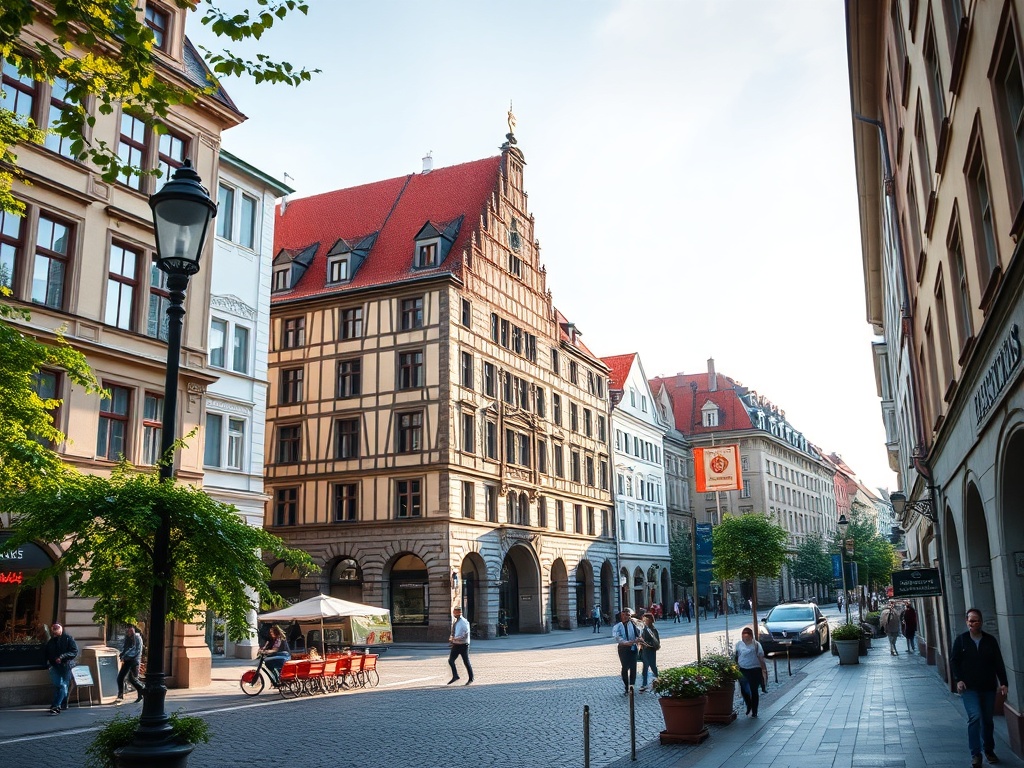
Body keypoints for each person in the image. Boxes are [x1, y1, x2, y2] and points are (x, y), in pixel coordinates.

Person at [950, 608, 1009, 767]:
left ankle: (989, 750)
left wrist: (1003, 682)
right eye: (970, 620)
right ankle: (976, 754)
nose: (972, 623)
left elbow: (998, 662)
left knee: (987, 720)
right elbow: (954, 661)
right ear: (966, 622)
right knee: (975, 717)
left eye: (975, 620)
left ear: (981, 622)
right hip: (969, 688)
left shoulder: (990, 641)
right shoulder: (961, 640)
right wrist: (959, 680)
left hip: (988, 687)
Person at [44, 622, 78, 715]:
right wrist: (49, 663)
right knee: (58, 685)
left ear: (61, 629)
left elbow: (74, 651)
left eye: (56, 631)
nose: (54, 633)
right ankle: (59, 704)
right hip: (54, 665)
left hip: (65, 665)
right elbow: (47, 653)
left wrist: (62, 657)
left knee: (63, 685)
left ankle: (57, 705)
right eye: (53, 631)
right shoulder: (52, 641)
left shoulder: (68, 638)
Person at [734, 626, 767, 717]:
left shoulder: (756, 645)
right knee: (744, 690)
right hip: (743, 670)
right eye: (744, 637)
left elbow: (761, 657)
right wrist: (735, 667)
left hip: (755, 670)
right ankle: (749, 705)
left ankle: (754, 710)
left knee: (754, 690)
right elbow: (736, 656)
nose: (745, 639)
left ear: (751, 636)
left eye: (747, 637)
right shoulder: (739, 645)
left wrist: (764, 669)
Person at [612, 608, 641, 695]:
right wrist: (626, 643)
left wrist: (637, 639)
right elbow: (617, 637)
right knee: (625, 667)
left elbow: (639, 633)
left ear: (630, 616)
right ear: (621, 616)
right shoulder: (618, 626)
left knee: (633, 667)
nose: (625, 617)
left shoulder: (634, 625)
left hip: (633, 648)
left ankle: (631, 685)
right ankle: (626, 685)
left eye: (627, 615)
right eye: (623, 615)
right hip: (623, 648)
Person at [115, 626, 145, 705]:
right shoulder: (128, 638)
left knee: (129, 679)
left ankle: (141, 690)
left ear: (133, 630)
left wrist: (125, 655)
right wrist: (122, 655)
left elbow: (135, 649)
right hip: (128, 660)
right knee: (126, 678)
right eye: (128, 631)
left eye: (130, 630)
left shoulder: (137, 637)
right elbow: (125, 647)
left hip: (133, 660)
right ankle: (122, 694)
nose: (129, 632)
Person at [447, 606, 473, 685]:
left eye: (455, 612)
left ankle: (471, 678)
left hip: (463, 645)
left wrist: (455, 638)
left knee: (466, 661)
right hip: (456, 644)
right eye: (454, 612)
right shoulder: (456, 621)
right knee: (451, 660)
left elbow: (464, 633)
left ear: (459, 613)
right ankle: (455, 676)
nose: (454, 614)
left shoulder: (463, 622)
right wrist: (453, 640)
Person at [637, 614, 661, 692]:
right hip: (644, 650)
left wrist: (645, 642)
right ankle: (644, 684)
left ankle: (659, 680)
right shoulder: (644, 628)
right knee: (645, 668)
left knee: (653, 666)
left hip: (651, 651)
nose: (644, 621)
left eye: (646, 619)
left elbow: (656, 642)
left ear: (650, 620)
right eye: (644, 619)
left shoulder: (653, 630)